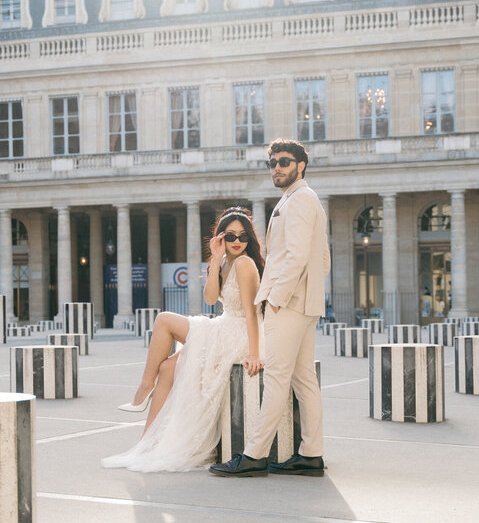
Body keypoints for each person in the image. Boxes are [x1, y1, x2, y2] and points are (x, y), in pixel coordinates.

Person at [102, 207, 264, 472]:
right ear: (221, 237)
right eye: (231, 235)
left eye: (243, 236)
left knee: (164, 320)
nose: (237, 241)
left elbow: (251, 313)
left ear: (250, 239)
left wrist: (255, 353)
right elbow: (211, 299)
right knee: (166, 369)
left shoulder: (245, 263)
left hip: (238, 334)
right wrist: (215, 259)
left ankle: (143, 390)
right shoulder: (225, 261)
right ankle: (146, 443)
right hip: (223, 326)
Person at [210, 139, 330, 478]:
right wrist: (308, 294)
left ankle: (253, 455)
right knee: (304, 380)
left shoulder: (299, 201)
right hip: (303, 303)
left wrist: (277, 299)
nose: (277, 167)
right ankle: (311, 454)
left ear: (301, 165)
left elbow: (294, 257)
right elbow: (322, 259)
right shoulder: (302, 200)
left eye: (284, 161)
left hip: (288, 305)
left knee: (276, 379)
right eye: (272, 162)